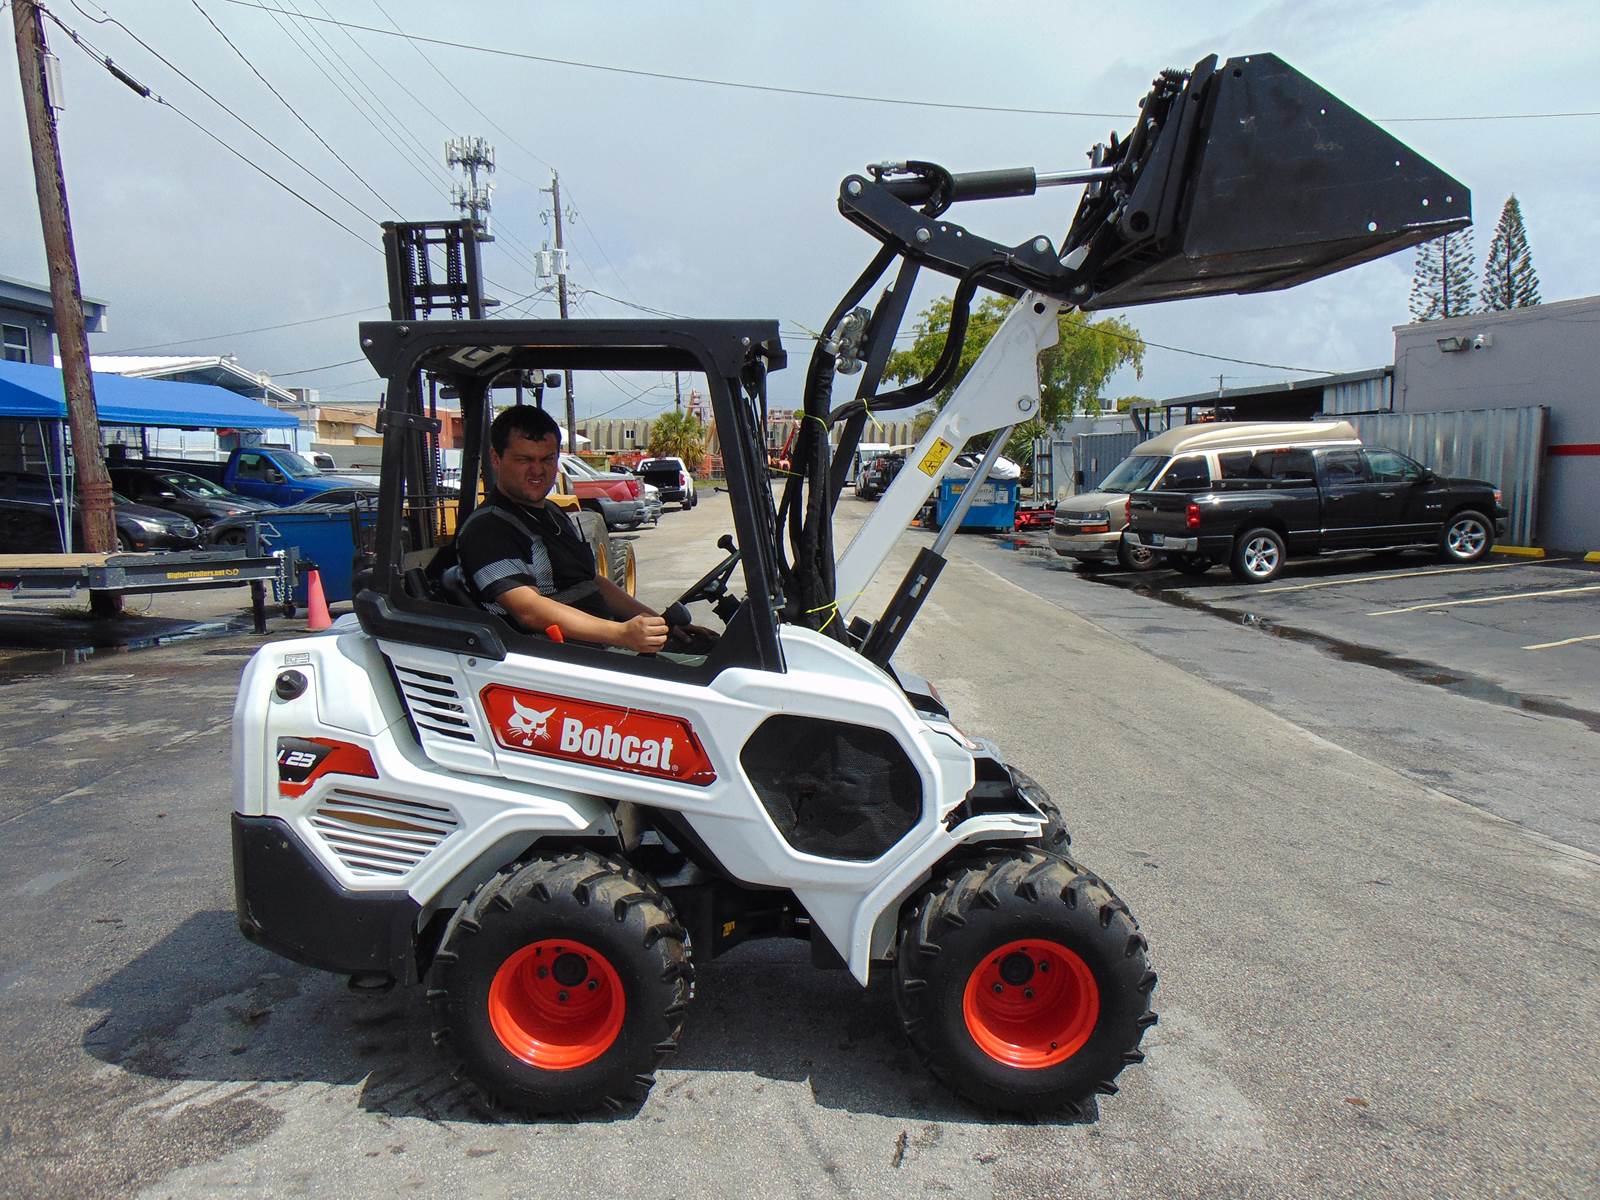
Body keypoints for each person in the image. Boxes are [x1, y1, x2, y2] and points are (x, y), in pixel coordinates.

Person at [456, 406, 707, 653]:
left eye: (547, 459)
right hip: (553, 662)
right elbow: (528, 610)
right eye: (524, 459)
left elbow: (592, 581)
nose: (537, 470)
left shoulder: (551, 513)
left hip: (595, 649)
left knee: (711, 651)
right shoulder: (489, 529)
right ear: (496, 459)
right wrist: (620, 634)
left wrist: (662, 625)